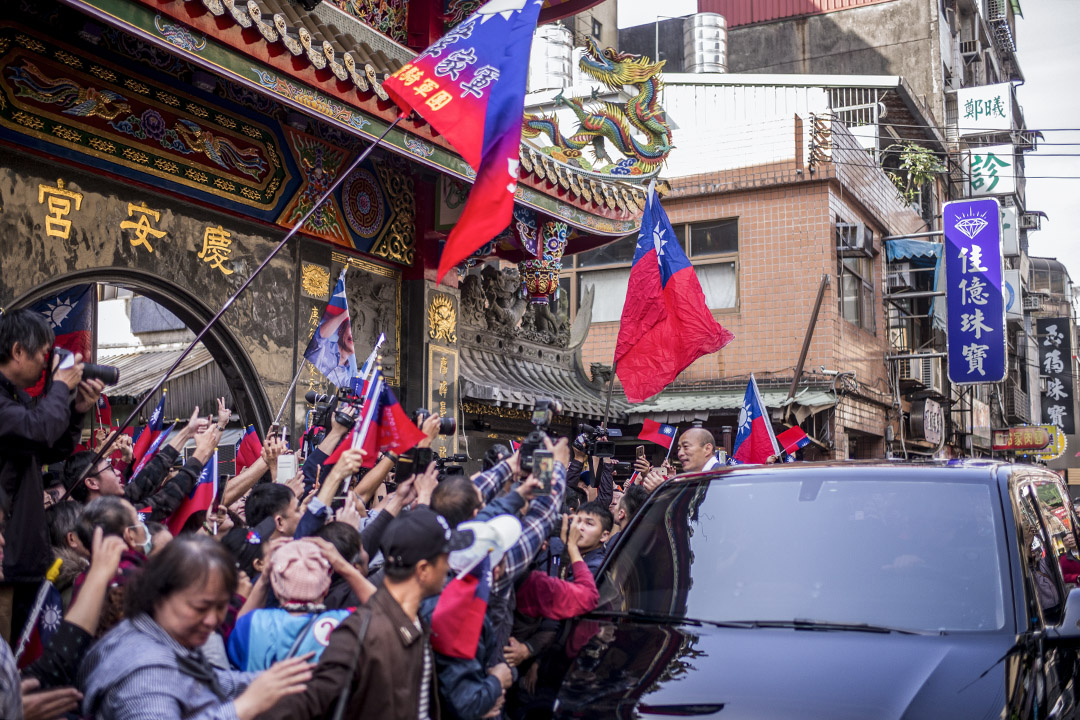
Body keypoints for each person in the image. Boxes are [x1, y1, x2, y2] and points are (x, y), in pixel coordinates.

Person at [259, 507, 469, 720]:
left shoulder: (410, 621)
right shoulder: (358, 634)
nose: (449, 565)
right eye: (445, 557)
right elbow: (298, 707)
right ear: (423, 569)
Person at [78, 535, 313, 720]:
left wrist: (280, 679)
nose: (213, 621)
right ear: (159, 595)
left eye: (221, 607)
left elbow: (210, 682)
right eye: (201, 607)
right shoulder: (147, 675)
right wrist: (244, 707)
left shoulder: (154, 635)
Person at [0, 309, 103, 642]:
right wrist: (59, 386)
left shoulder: (18, 400)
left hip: (25, 558)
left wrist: (77, 410)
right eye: (44, 354)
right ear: (17, 351)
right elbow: (39, 429)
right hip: (6, 562)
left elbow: (49, 448)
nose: (48, 364)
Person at [228, 539, 367, 671]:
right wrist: (345, 567)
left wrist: (265, 577)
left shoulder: (252, 624)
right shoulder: (347, 623)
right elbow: (385, 609)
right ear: (326, 587)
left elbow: (237, 628)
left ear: (276, 588)